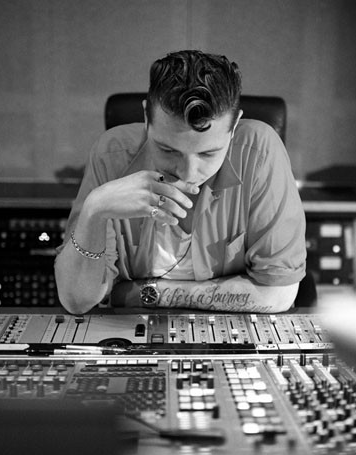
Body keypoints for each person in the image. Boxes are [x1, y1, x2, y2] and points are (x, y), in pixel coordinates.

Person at [55, 50, 307, 314]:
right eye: (168, 150)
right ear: (146, 118)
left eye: (208, 154)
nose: (187, 173)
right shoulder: (111, 154)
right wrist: (94, 210)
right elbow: (76, 300)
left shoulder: (260, 152)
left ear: (233, 128)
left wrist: (143, 294)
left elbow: (279, 294)